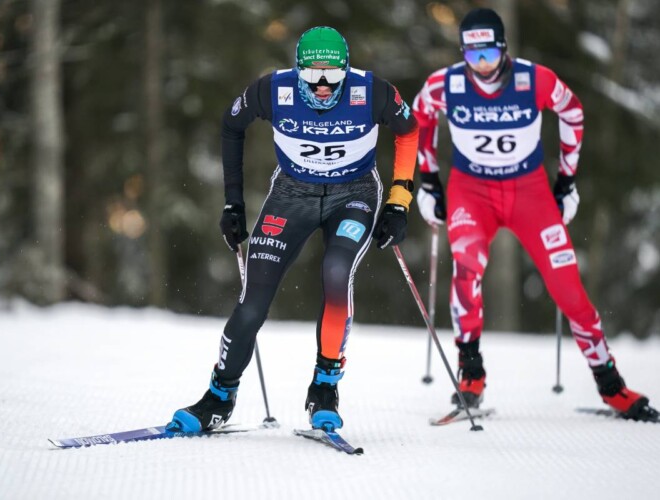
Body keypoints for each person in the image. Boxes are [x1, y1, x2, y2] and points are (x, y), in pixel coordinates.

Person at [166, 26, 419, 433]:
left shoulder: (372, 92)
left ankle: (325, 386)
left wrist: (399, 200)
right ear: (297, 69)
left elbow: (408, 130)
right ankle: (219, 396)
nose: (322, 86)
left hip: (353, 194)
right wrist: (233, 203)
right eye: (312, 75)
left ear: (347, 70)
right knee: (252, 302)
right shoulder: (272, 90)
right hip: (291, 193)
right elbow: (232, 125)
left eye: (333, 76)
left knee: (336, 271)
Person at [411, 8, 657, 420]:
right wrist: (429, 181)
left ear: (504, 50)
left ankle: (611, 385)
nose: (482, 67)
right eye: (472, 57)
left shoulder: (534, 79)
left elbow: (573, 112)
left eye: (489, 55)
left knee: (569, 289)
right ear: (462, 55)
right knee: (467, 269)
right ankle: (471, 373)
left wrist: (567, 181)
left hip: (530, 194)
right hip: (472, 193)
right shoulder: (446, 84)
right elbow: (419, 118)